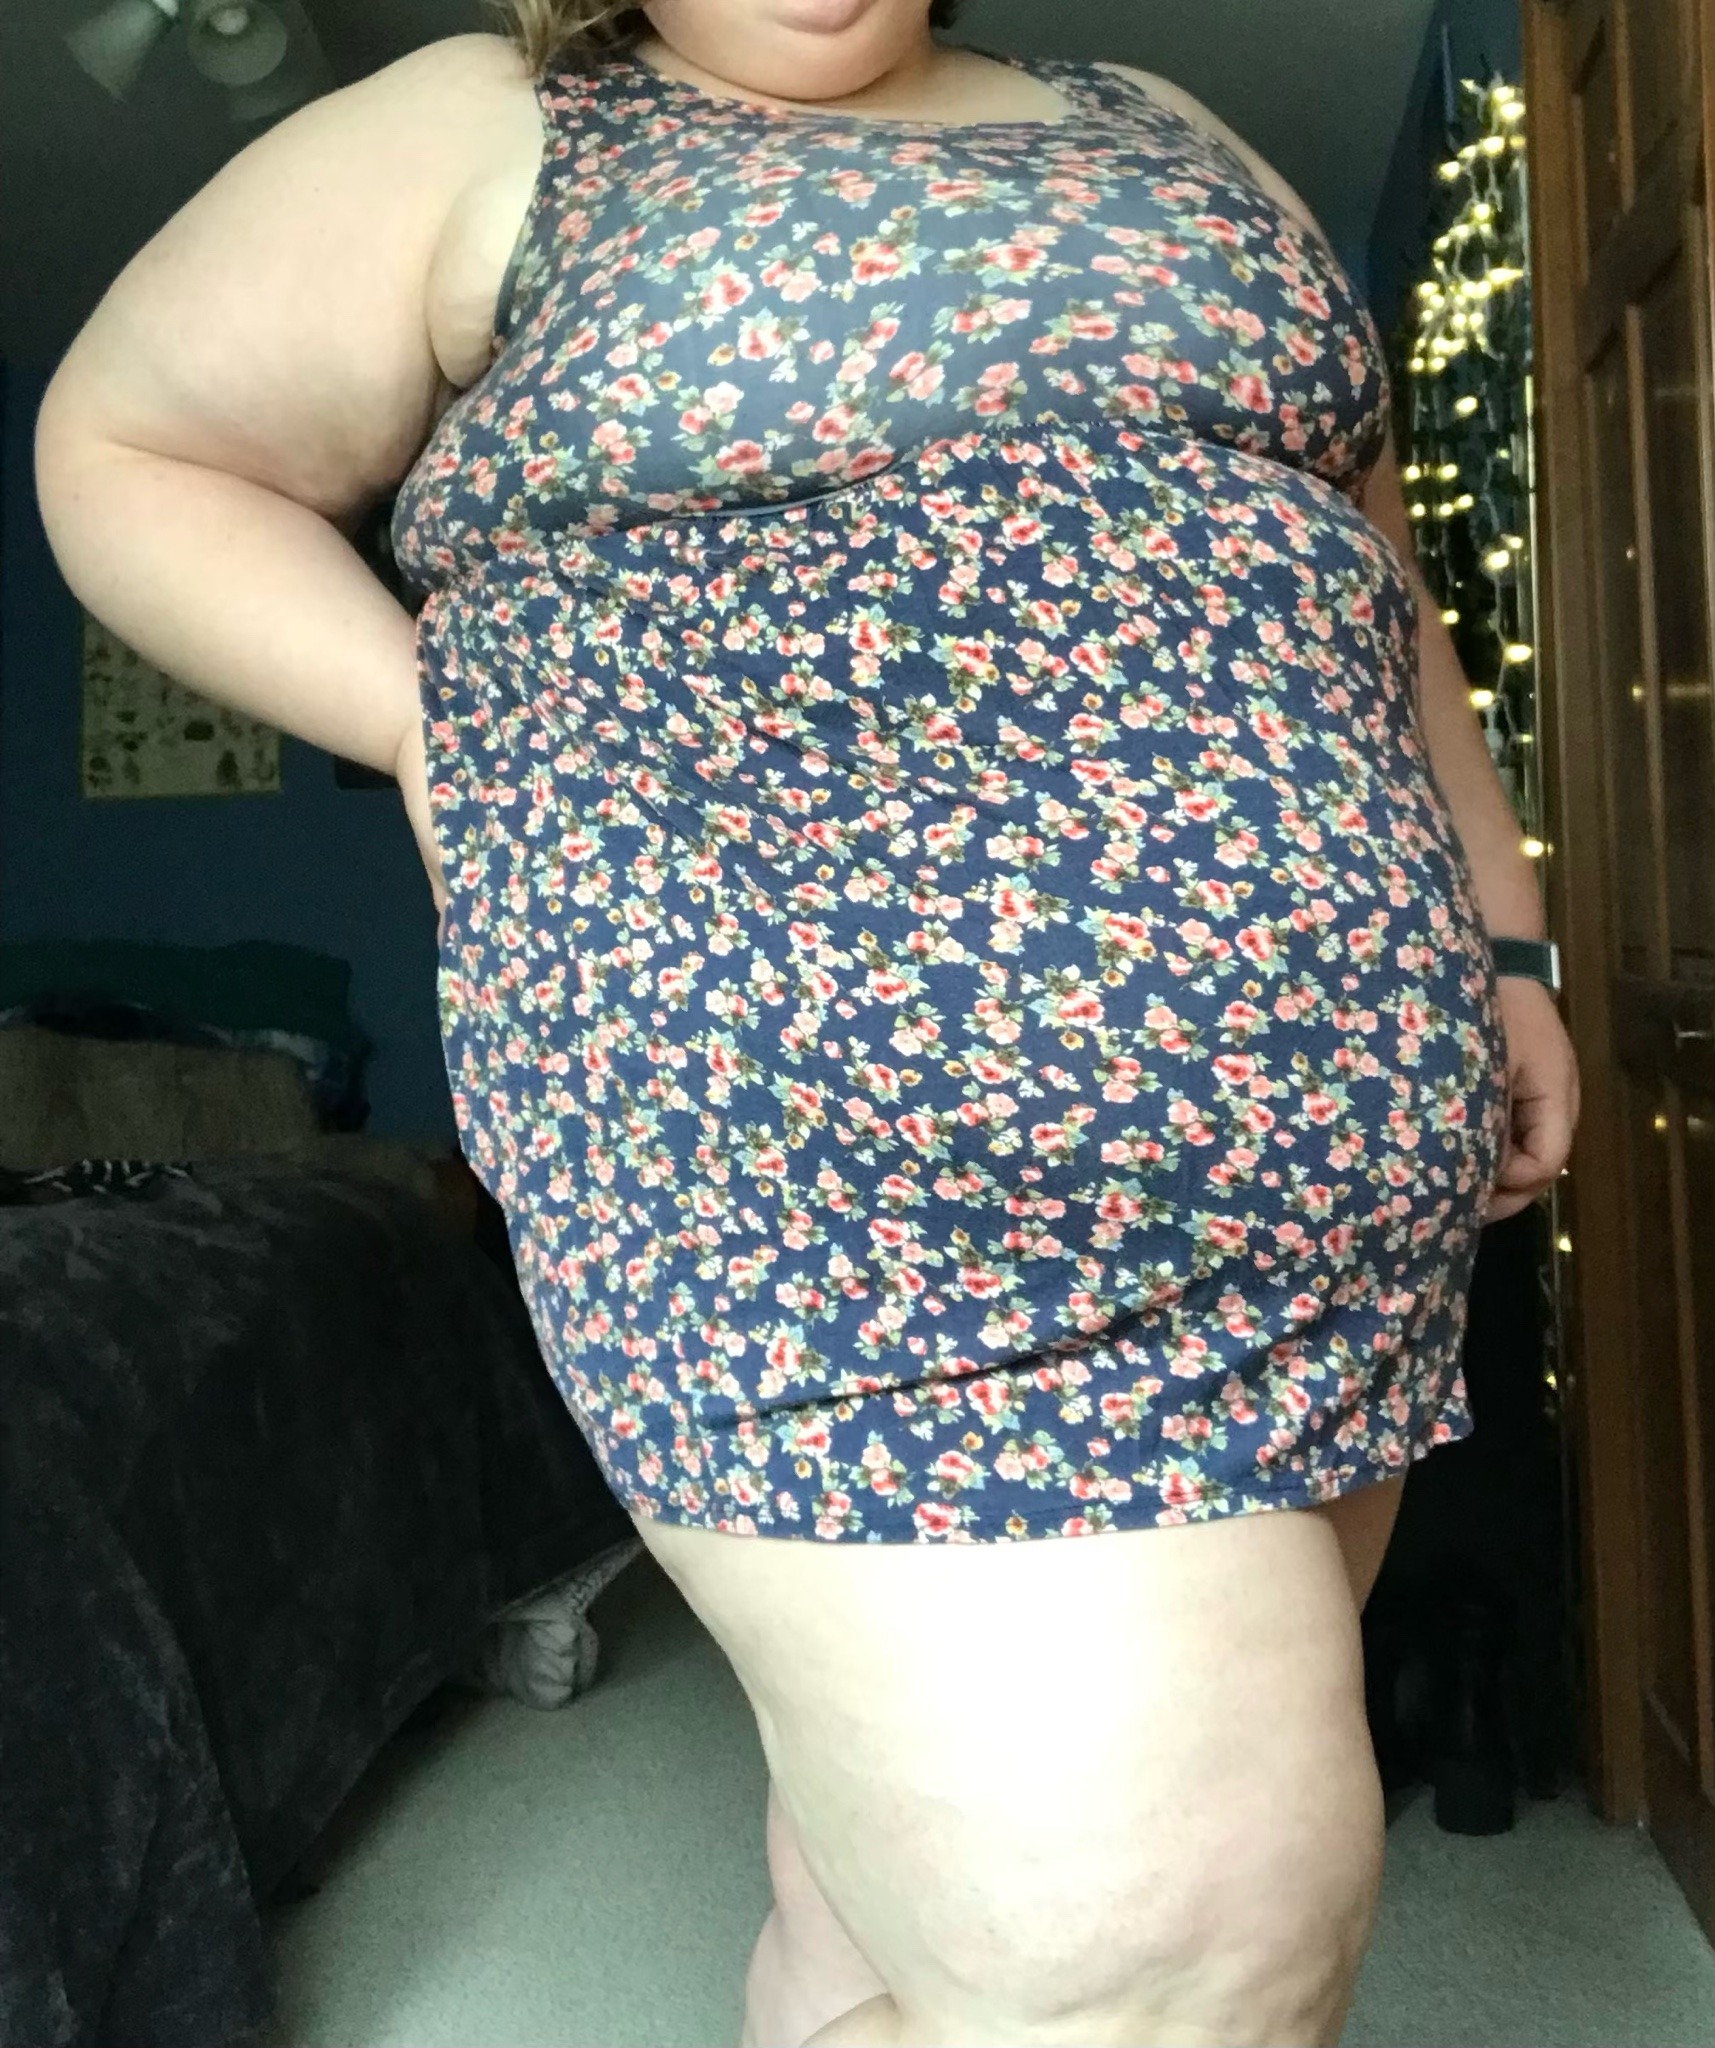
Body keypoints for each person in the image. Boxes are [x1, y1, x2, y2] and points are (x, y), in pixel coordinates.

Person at [35, 2, 1580, 2042]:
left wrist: (1504, 943)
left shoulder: (1167, 125)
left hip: (1332, 1191)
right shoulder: (500, 129)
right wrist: (438, 726)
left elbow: (1369, 569)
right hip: (830, 1199)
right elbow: (128, 449)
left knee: (885, 1932)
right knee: (1164, 1933)